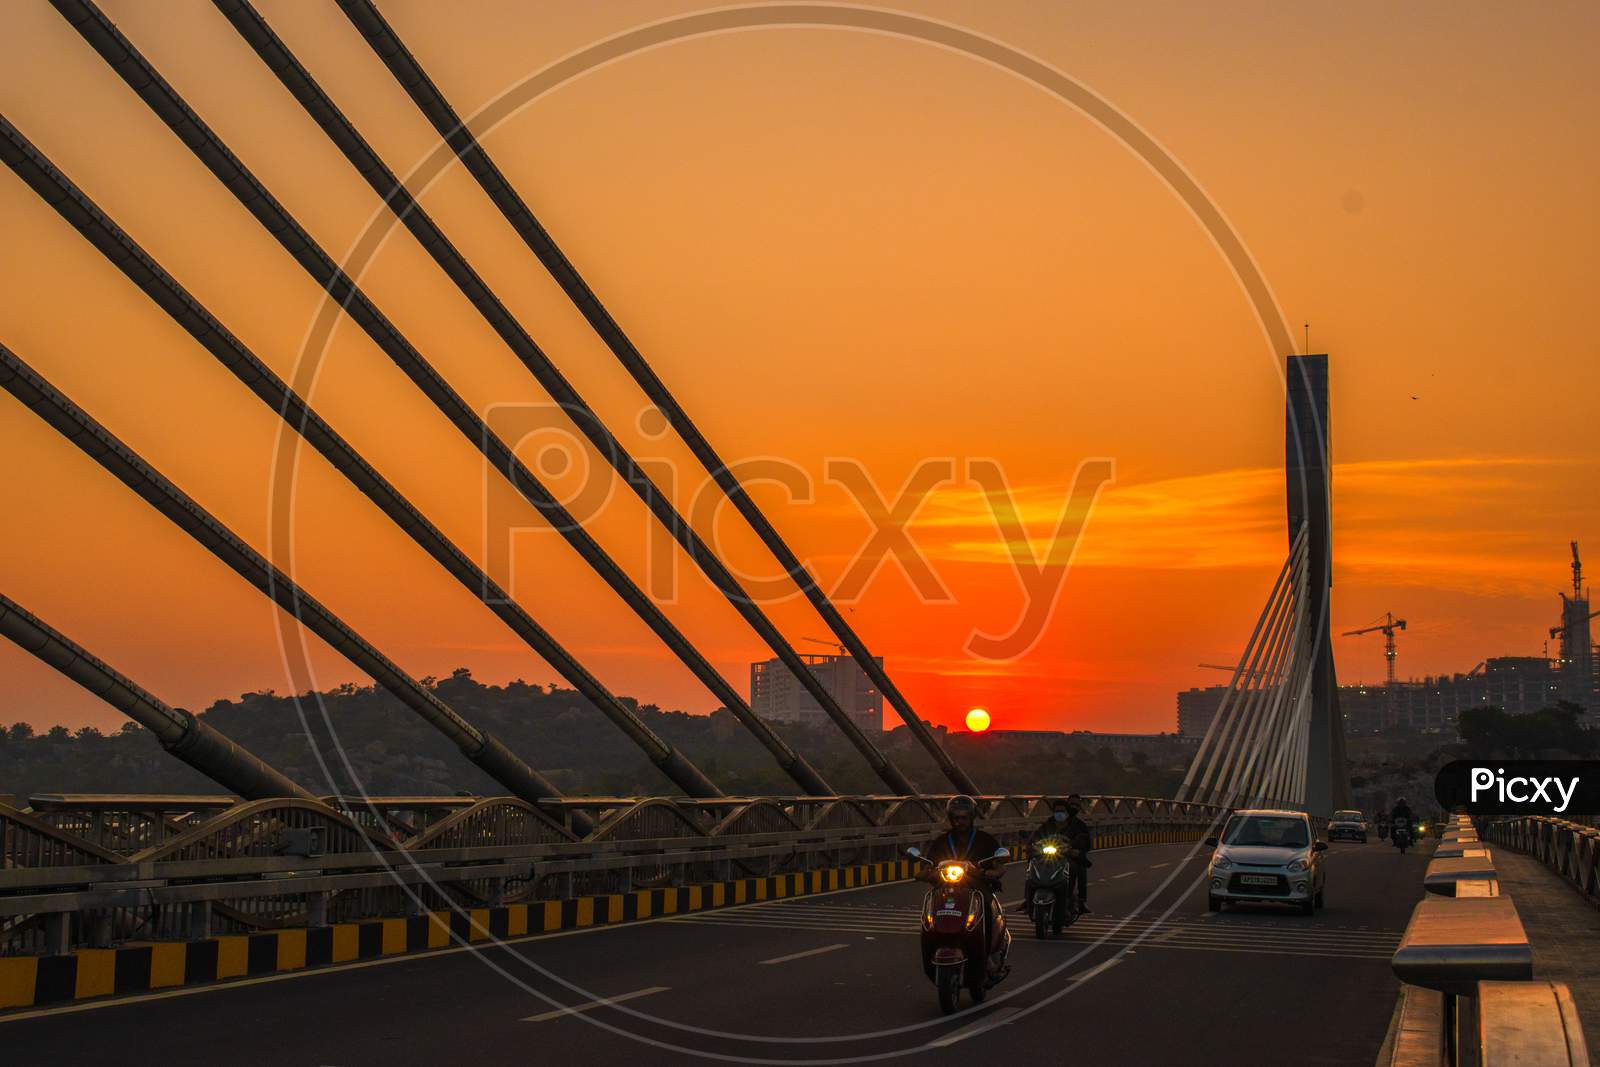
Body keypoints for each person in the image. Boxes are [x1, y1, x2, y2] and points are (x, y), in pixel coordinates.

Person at [919, 795, 1006, 945]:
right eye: (956, 818)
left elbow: (999, 866)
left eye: (964, 818)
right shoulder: (941, 841)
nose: (960, 822)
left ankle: (989, 948)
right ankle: (931, 943)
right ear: (951, 819)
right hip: (945, 886)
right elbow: (928, 866)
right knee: (930, 906)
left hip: (977, 885)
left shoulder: (985, 840)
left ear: (971, 818)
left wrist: (992, 873)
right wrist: (925, 873)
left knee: (986, 906)